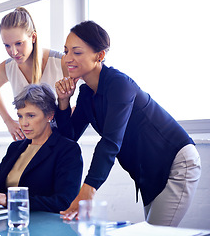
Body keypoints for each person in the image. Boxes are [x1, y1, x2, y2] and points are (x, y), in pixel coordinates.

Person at [55, 21, 201, 226]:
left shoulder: (119, 84)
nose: (68, 58)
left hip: (176, 163)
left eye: (77, 52)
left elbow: (110, 142)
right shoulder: (86, 93)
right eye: (66, 51)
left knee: (157, 233)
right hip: (149, 172)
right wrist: (63, 102)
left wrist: (87, 190)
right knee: (154, 230)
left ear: (99, 56)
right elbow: (70, 138)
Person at [0, 84, 83, 213]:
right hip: (8, 223)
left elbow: (63, 202)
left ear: (49, 115)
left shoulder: (68, 150)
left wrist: (9, 199)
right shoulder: (15, 148)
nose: (23, 123)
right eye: (20, 116)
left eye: (31, 116)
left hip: (43, 226)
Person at [0, 7, 68, 141]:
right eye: (7, 45)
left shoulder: (60, 62)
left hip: (59, 141)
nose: (13, 52)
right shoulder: (6, 68)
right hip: (28, 141)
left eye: (19, 43)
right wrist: (8, 121)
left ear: (33, 37)